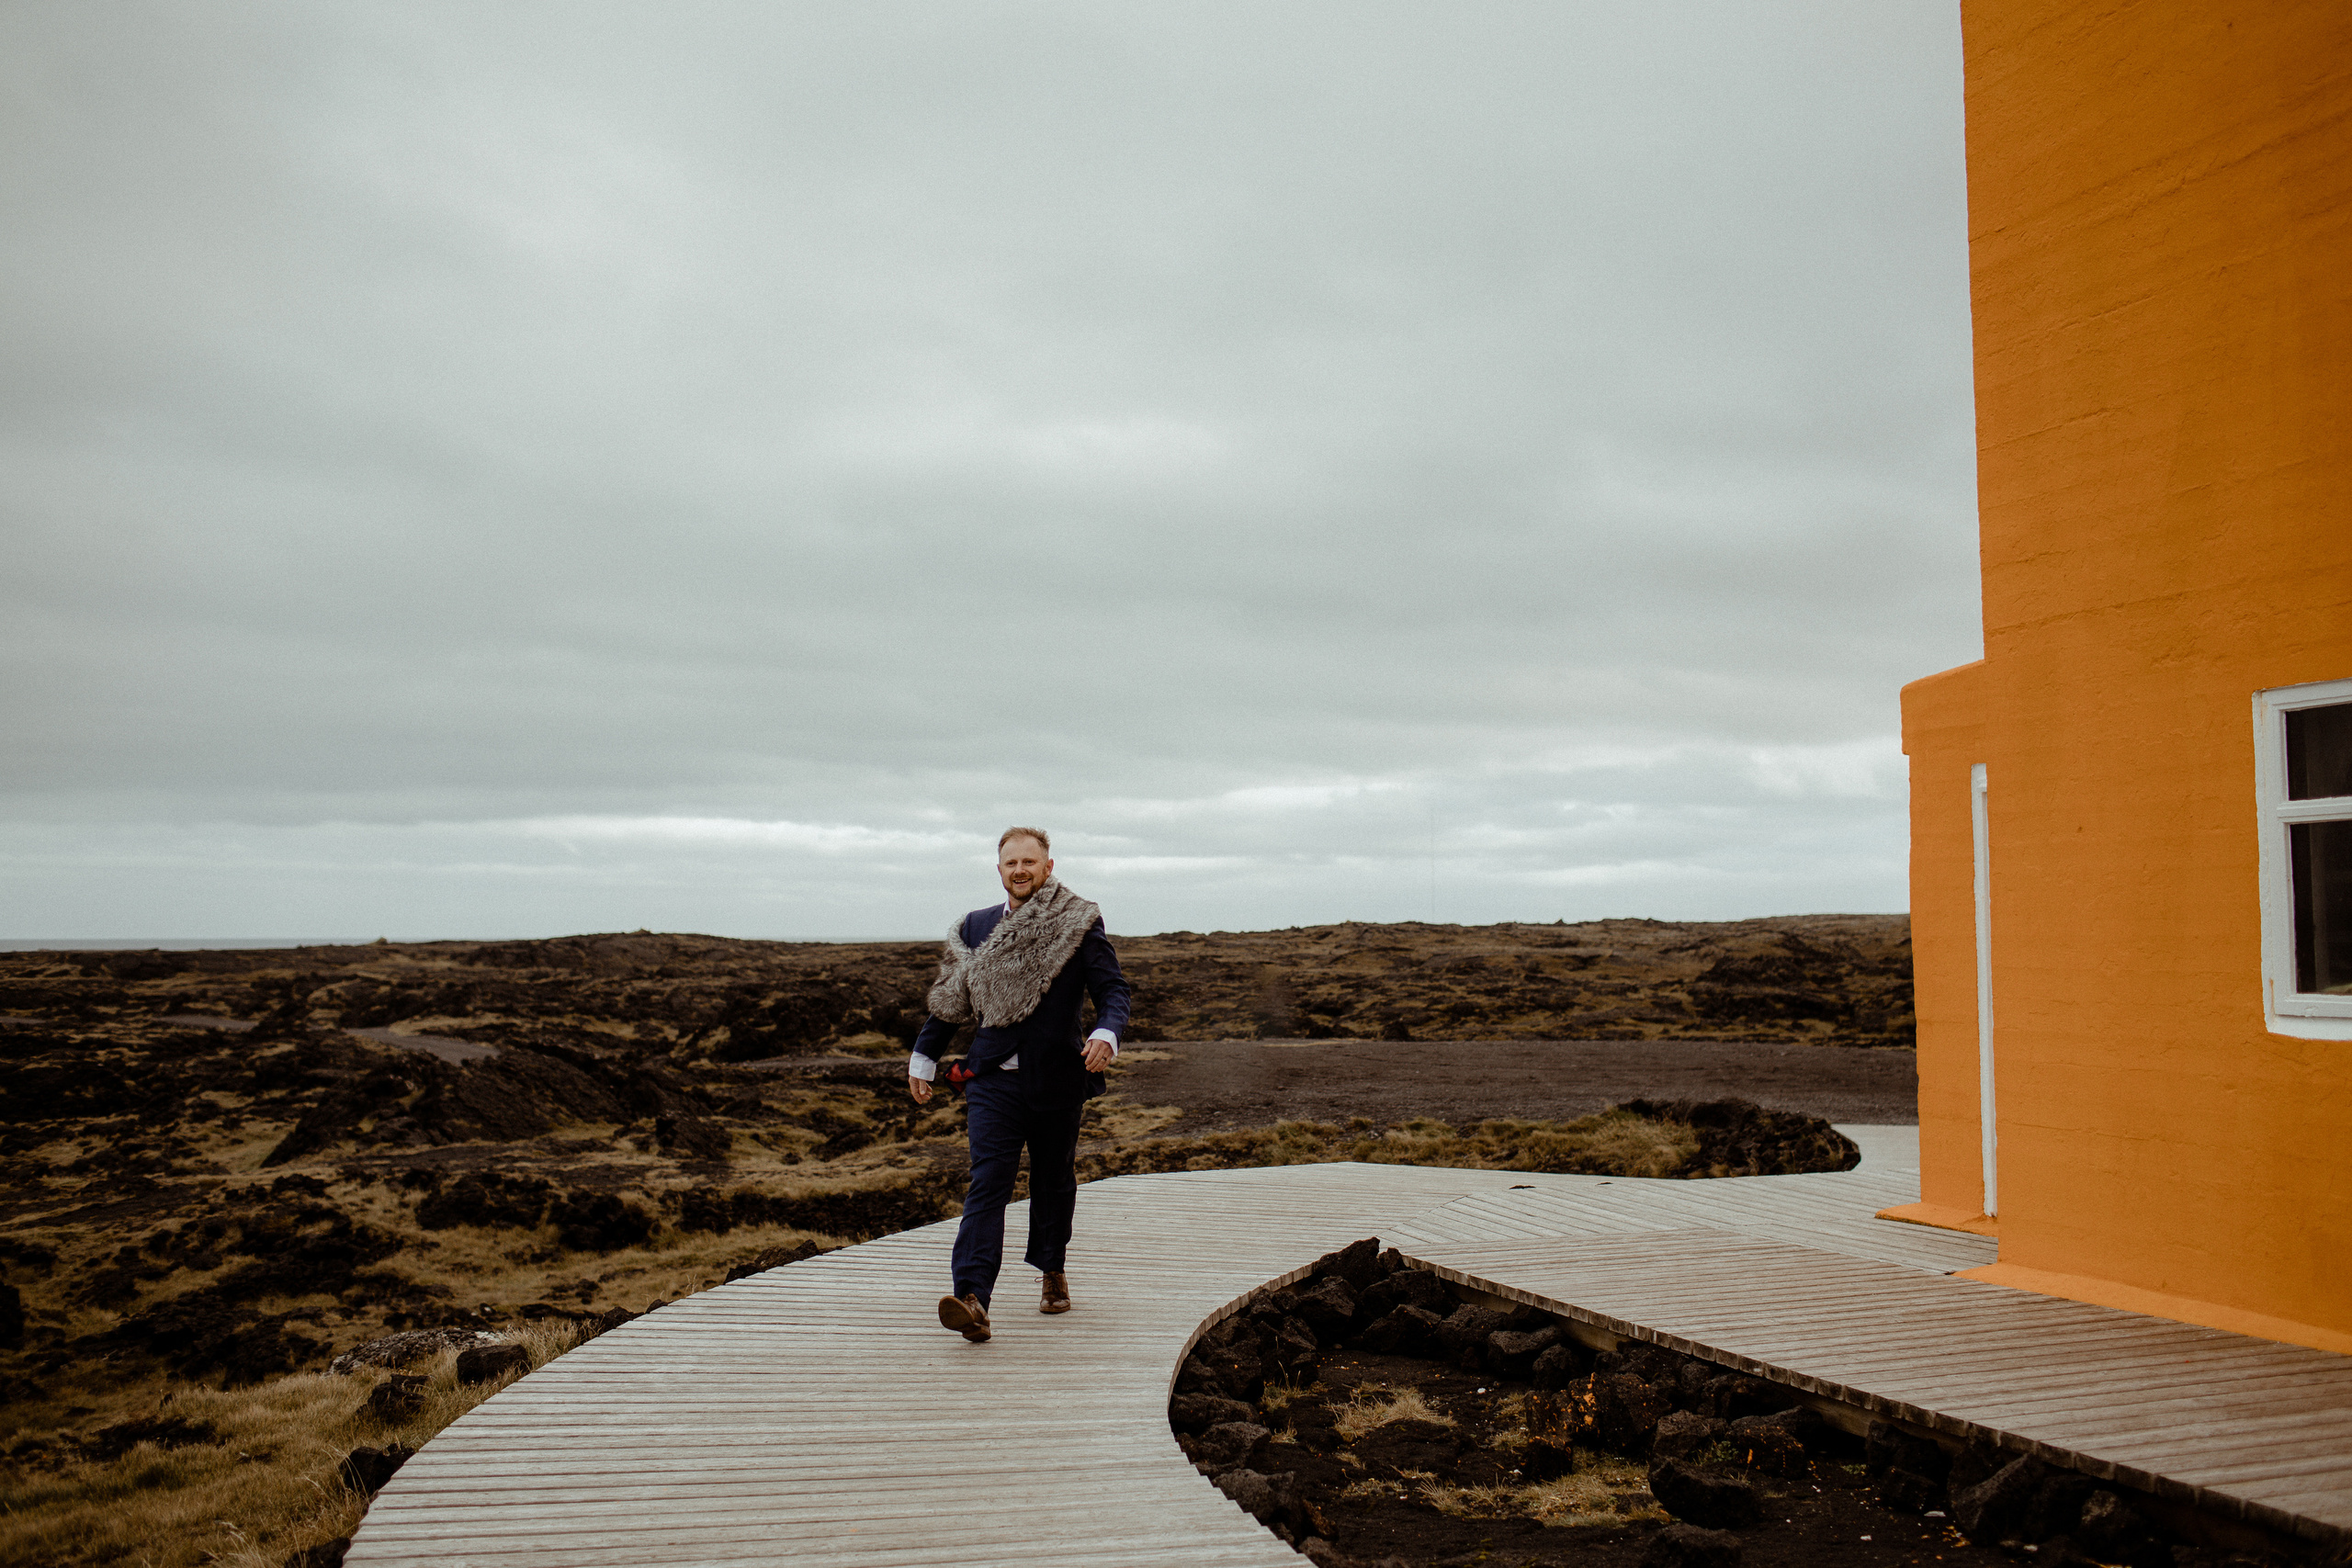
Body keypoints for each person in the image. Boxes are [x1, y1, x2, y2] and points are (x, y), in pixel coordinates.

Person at [908, 827, 1130, 1343]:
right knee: (988, 1181)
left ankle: (1052, 1269)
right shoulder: (976, 926)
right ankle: (972, 1298)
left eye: (1031, 862)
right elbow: (950, 1001)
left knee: (1054, 1179)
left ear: (1048, 868)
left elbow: (1112, 989)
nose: (1021, 870)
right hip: (992, 1081)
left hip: (1057, 1077)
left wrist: (1106, 1033)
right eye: (1011, 863)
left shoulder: (1078, 920)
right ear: (1000, 869)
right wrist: (924, 1057)